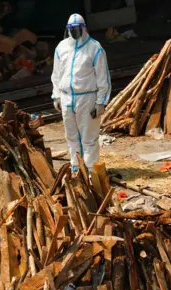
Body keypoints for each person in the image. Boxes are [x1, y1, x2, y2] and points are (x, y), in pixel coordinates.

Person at [51, 13, 111, 173]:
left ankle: (91, 172)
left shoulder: (94, 48)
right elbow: (56, 74)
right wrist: (56, 95)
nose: (75, 31)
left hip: (87, 98)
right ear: (68, 29)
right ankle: (76, 169)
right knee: (71, 136)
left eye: (78, 28)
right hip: (66, 98)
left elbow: (103, 76)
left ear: (84, 28)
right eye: (72, 29)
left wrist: (101, 101)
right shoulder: (61, 48)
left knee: (89, 138)